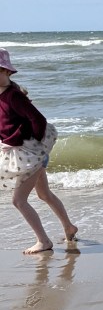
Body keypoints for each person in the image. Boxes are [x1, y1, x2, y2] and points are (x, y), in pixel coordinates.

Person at [0, 49, 78, 254]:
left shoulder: (13, 96)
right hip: (24, 154)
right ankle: (69, 227)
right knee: (44, 194)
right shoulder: (2, 96)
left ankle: (43, 241)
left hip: (30, 154)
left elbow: (38, 120)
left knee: (18, 201)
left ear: (7, 72)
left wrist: (34, 145)